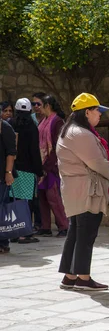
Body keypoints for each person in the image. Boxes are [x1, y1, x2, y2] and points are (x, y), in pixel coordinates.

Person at [56, 93, 109, 290]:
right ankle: (83, 278)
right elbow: (97, 162)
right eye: (97, 111)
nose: (100, 115)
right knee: (86, 233)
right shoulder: (82, 134)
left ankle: (70, 276)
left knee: (76, 233)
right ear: (87, 112)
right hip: (87, 191)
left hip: (76, 189)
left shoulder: (69, 131)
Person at [9, 98, 43, 244]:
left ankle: (14, 233)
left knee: (13, 200)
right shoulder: (32, 127)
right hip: (28, 170)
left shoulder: (9, 125)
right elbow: (34, 151)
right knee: (27, 202)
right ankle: (25, 233)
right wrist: (39, 171)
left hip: (13, 169)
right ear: (30, 111)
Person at [37, 95, 68, 237]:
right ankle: (45, 226)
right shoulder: (43, 121)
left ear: (47, 105)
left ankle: (64, 226)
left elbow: (58, 146)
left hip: (52, 165)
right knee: (42, 197)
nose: (38, 108)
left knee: (53, 197)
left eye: (40, 105)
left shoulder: (57, 122)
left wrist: (48, 165)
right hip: (42, 164)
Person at [0, 113, 17, 254]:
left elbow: (11, 153)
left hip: (2, 176)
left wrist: (8, 172)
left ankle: (3, 242)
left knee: (2, 209)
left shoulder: (5, 128)